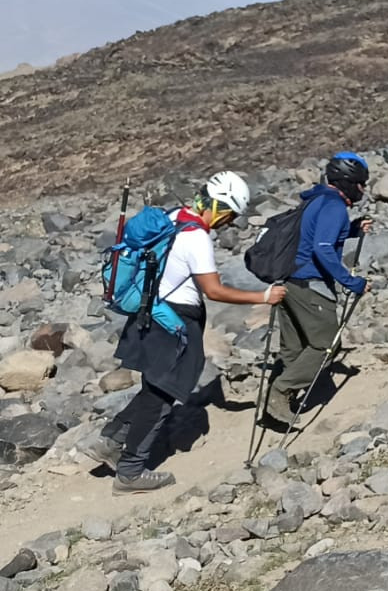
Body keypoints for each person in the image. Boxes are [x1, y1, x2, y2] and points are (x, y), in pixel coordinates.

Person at [85, 172, 282, 493]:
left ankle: (110, 441)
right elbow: (214, 290)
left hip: (149, 314)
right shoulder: (196, 237)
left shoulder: (174, 217)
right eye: (229, 216)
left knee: (153, 388)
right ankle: (131, 472)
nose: (228, 223)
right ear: (220, 208)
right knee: (162, 397)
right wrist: (263, 297)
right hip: (174, 323)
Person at [266, 152, 373, 426]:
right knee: (327, 344)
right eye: (361, 184)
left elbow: (317, 235)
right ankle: (281, 391)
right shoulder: (334, 206)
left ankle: (280, 402)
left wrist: (351, 229)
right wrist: (352, 282)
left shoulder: (316, 199)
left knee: (294, 345)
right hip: (310, 284)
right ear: (349, 182)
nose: (362, 189)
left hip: (288, 281)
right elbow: (323, 248)